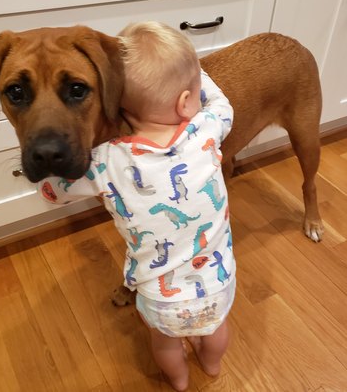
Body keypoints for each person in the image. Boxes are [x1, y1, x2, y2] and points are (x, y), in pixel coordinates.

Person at [39, 21, 236, 391]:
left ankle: (178, 380)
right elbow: (223, 104)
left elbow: (56, 192)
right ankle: (211, 364)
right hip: (217, 282)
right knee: (216, 332)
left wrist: (47, 185)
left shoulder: (106, 161)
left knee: (165, 344)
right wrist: (201, 76)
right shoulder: (208, 128)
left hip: (160, 297)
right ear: (185, 101)